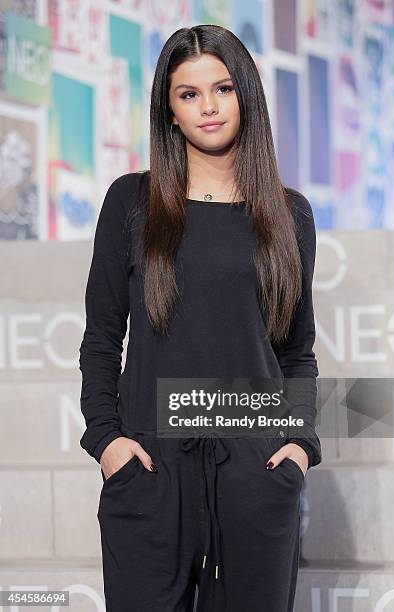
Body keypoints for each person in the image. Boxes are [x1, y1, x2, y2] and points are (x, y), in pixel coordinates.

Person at [78, 24, 322, 612]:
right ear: (170, 110)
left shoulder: (289, 215)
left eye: (223, 88)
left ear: (247, 96)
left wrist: (298, 446)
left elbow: (297, 349)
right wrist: (107, 440)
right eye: (189, 94)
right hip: (152, 466)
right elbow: (103, 338)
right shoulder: (131, 202)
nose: (208, 107)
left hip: (256, 466)